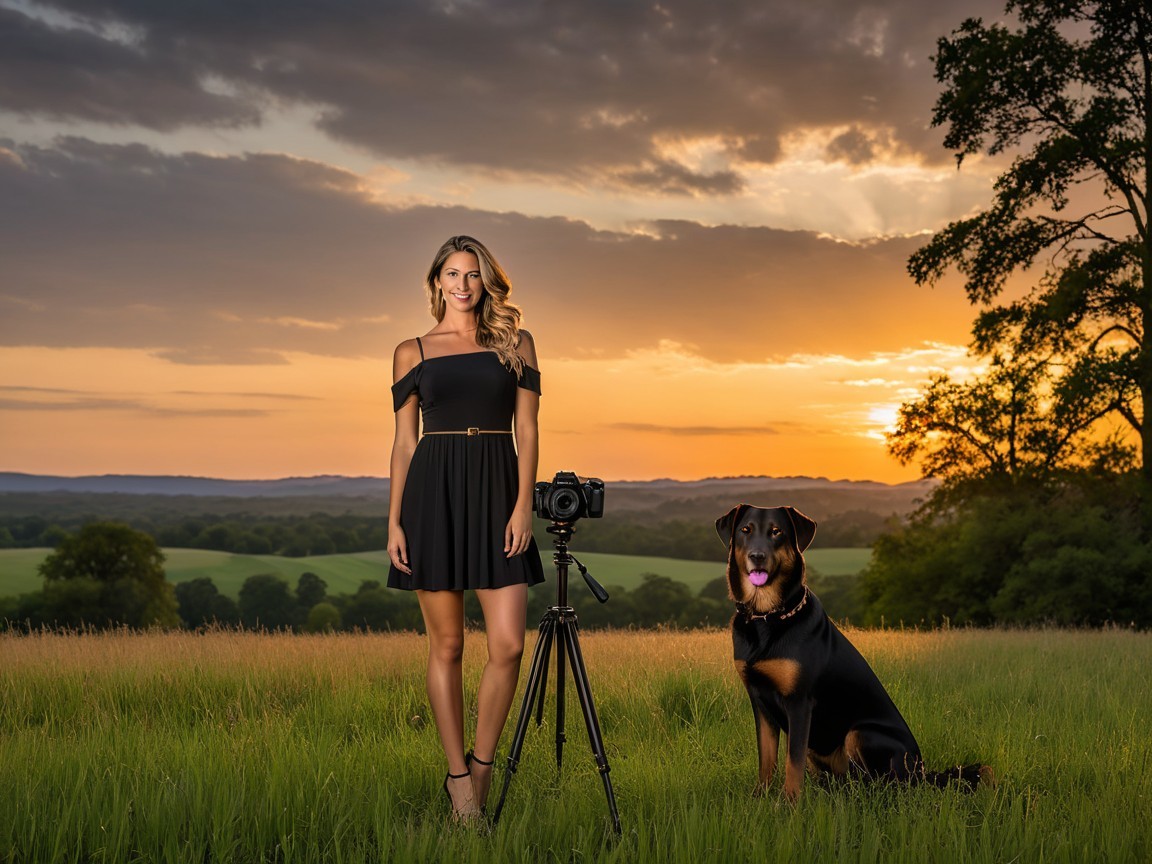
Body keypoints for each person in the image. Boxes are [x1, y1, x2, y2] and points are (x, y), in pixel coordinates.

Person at [387, 235, 545, 822]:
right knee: (447, 645)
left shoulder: (516, 344)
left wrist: (523, 504)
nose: (462, 284)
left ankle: (481, 769)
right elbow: (404, 443)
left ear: (486, 282)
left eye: (473, 274)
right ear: (436, 282)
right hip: (435, 494)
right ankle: (457, 783)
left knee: (507, 644)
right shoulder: (412, 352)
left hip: (500, 490)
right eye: (451, 274)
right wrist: (394, 522)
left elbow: (526, 431)